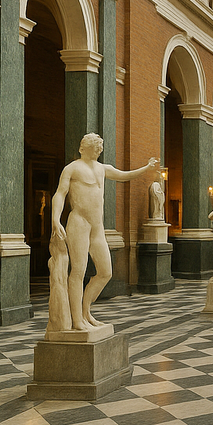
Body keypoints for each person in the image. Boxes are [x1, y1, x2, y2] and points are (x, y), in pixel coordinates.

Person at [52, 133, 157, 331]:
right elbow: (60, 194)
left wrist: (146, 168)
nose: (98, 151)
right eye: (95, 148)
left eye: (100, 149)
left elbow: (125, 175)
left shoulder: (102, 168)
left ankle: (85, 311)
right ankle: (76, 320)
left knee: (105, 272)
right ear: (83, 148)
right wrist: (55, 219)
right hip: (79, 223)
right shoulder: (73, 168)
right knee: (78, 271)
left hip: (97, 226)